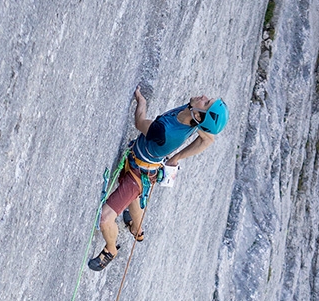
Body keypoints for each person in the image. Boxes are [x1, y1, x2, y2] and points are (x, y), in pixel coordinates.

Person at [88, 88, 229, 270]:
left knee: (105, 219)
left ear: (199, 117)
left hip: (137, 174)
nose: (203, 97)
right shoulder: (194, 115)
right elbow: (207, 138)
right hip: (143, 167)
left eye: (206, 103)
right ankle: (137, 230)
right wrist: (176, 158)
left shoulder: (164, 131)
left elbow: (139, 122)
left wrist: (142, 102)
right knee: (135, 198)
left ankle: (111, 249)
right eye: (208, 99)